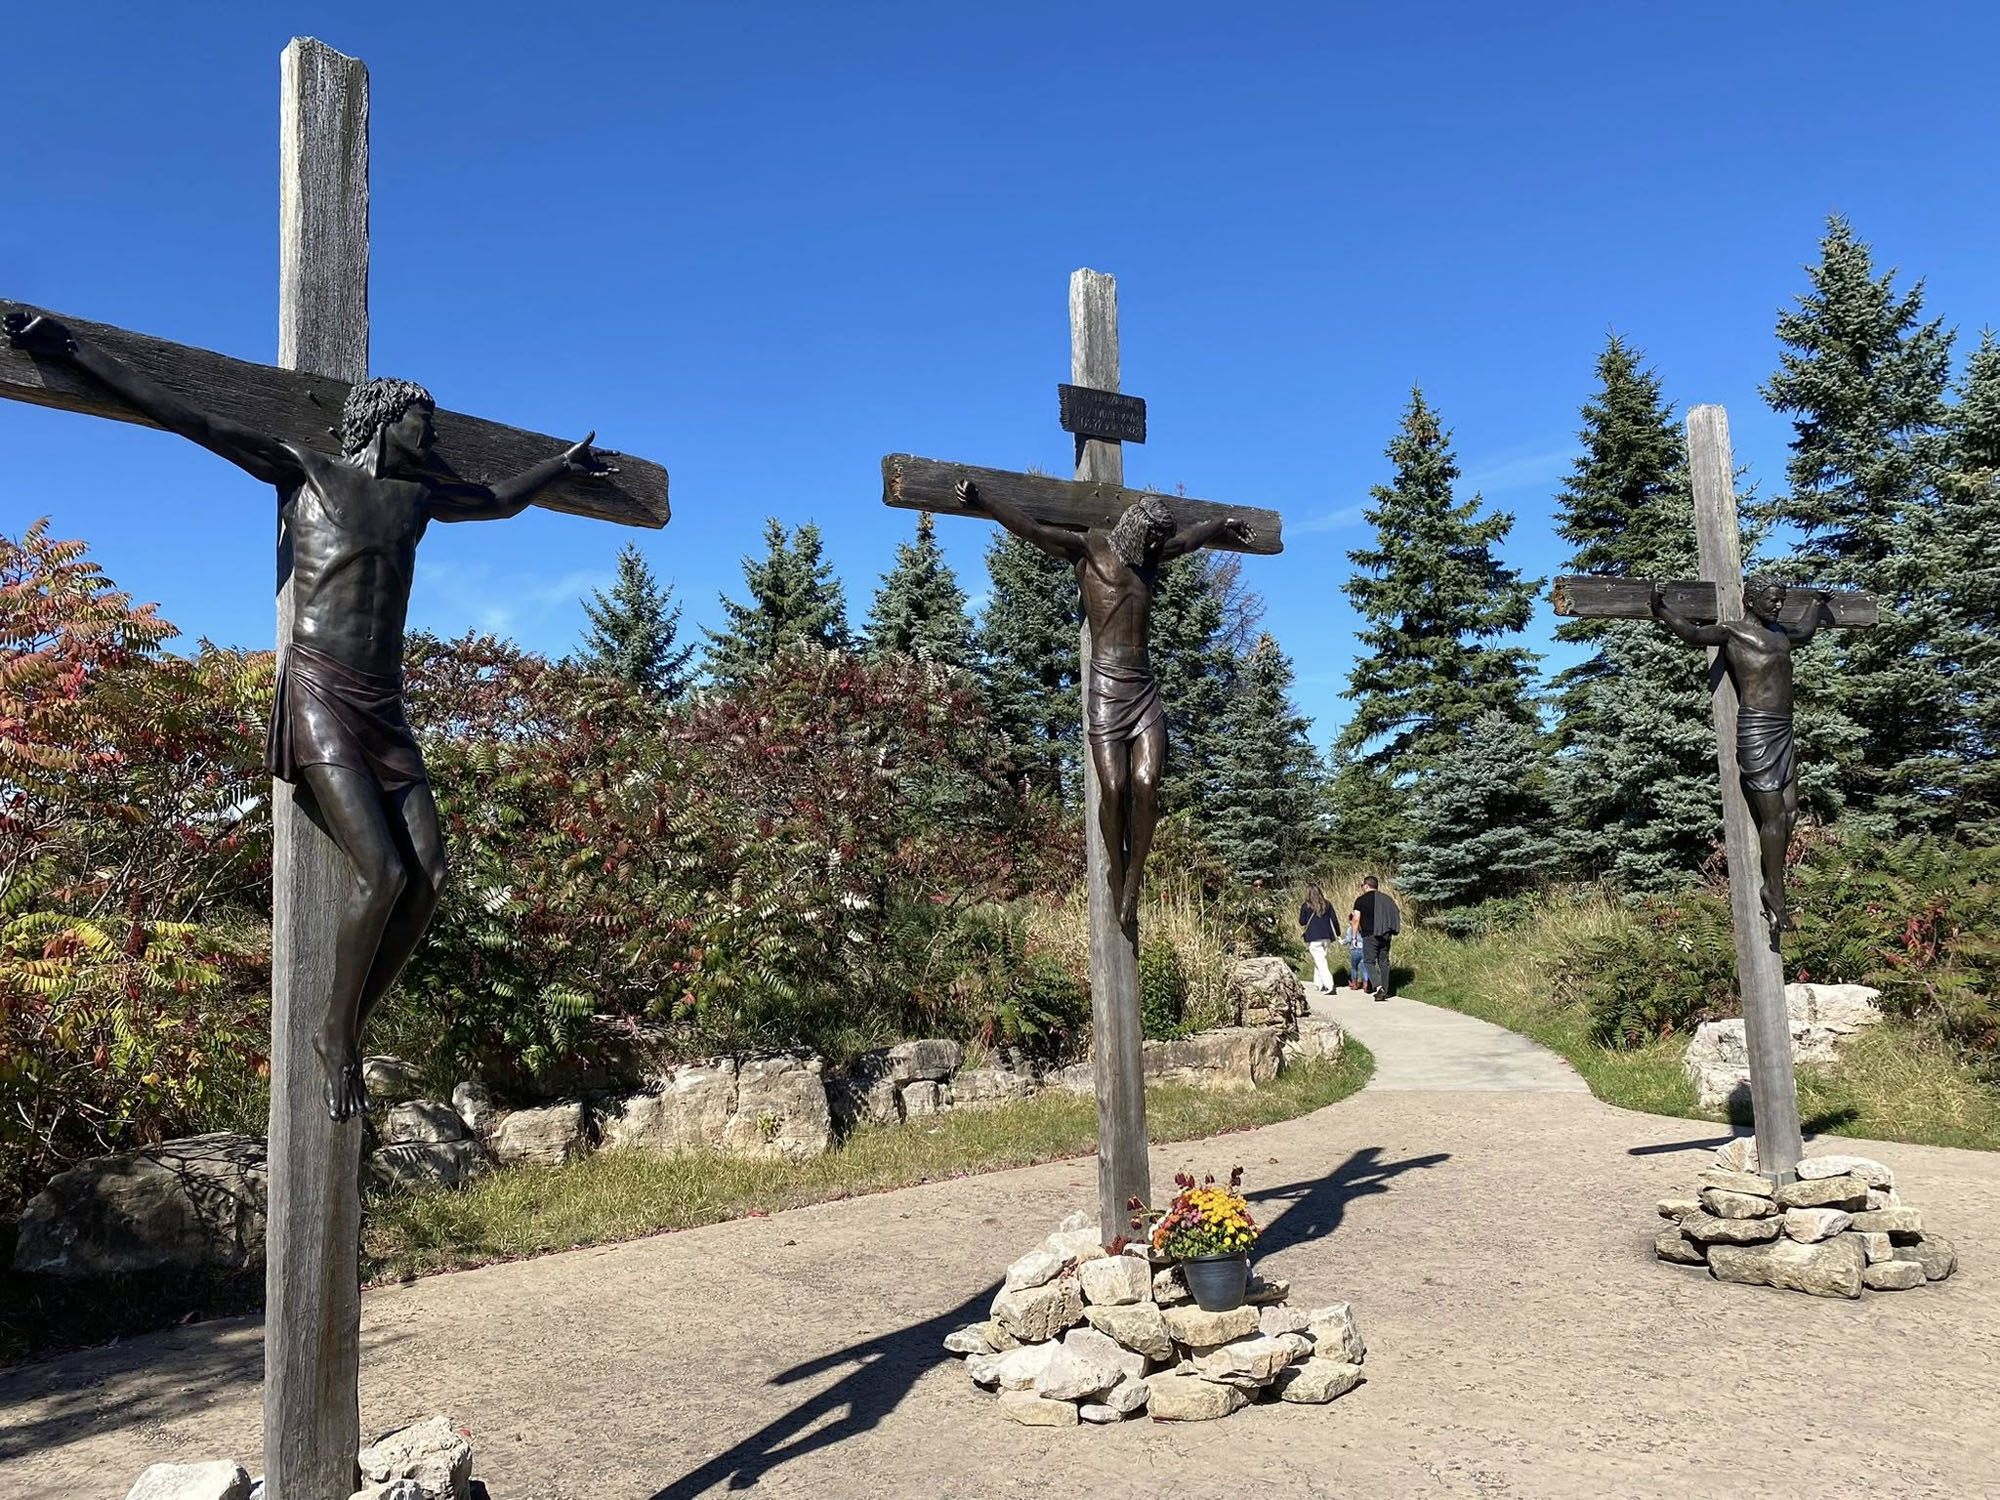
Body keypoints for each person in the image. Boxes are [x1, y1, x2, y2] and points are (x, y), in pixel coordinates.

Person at [4, 308, 615, 1119]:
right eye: (421, 422)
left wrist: (558, 468)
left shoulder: (418, 499)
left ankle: (346, 1026)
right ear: (384, 419)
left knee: (429, 878)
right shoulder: (306, 472)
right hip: (322, 691)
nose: (430, 437)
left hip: (385, 706)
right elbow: (191, 418)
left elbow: (498, 500)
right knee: (384, 872)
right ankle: (335, 1034)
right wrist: (76, 351)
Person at [954, 478, 1253, 927]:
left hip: (1144, 689)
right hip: (1107, 692)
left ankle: (1134, 877)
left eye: (1159, 540)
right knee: (1114, 789)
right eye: (1151, 536)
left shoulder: (1151, 559)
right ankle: (1118, 865)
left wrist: (1223, 523)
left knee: (1147, 782)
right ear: (1135, 527)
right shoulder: (1090, 551)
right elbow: (1032, 530)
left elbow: (1190, 540)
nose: (1156, 545)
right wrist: (983, 500)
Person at [1651, 576, 1828, 932]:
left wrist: (1816, 604)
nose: (1778, 606)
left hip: (1783, 729)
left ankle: (1774, 883)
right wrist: (1661, 608)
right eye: (1772, 600)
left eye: (1781, 600)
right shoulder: (1732, 632)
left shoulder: (1780, 634)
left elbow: (1805, 632)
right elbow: (1693, 634)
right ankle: (1774, 892)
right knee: (1774, 816)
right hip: (1757, 730)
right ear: (1752, 600)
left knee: (1790, 813)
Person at [1349, 875, 1399, 1001]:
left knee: (1368, 961)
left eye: (1362, 885)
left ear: (1366, 886)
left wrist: (1354, 938)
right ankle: (1385, 990)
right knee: (1384, 962)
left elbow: (1356, 919)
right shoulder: (1387, 899)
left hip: (1369, 935)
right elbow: (1395, 913)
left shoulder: (1361, 900)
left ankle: (1378, 986)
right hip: (1385, 934)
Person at [1299, 883, 1339, 993]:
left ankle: (1329, 985)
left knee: (1321, 961)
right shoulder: (1327, 904)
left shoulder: (1306, 905)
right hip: (1327, 936)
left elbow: (1302, 922)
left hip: (1313, 937)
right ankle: (1318, 984)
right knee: (1320, 959)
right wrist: (1338, 933)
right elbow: (1334, 920)